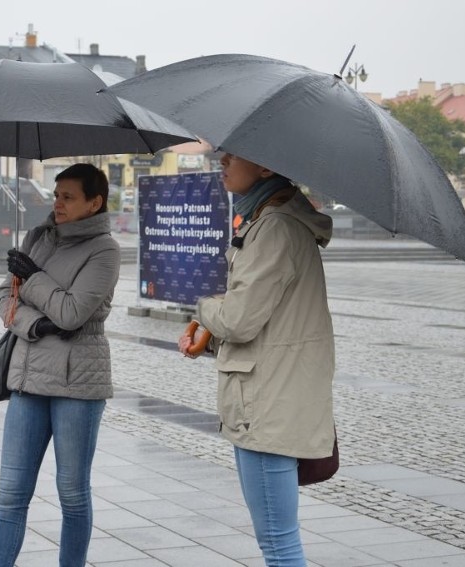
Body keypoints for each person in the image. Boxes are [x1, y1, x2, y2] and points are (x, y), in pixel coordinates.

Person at [178, 153, 335, 566]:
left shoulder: (275, 229)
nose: (222, 160)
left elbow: (241, 320)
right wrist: (210, 339)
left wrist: (204, 306)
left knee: (279, 546)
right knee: (279, 542)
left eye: (233, 154)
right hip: (271, 394)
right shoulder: (272, 221)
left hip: (266, 404)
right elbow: (268, 322)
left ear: (266, 167)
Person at [0, 163, 120, 567]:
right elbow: (4, 299)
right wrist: (35, 324)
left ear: (94, 202)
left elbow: (72, 312)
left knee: (72, 493)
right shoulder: (37, 237)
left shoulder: (106, 250)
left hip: (77, 384)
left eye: (68, 197)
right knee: (10, 492)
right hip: (28, 379)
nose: (57, 204)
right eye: (56, 195)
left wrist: (35, 278)